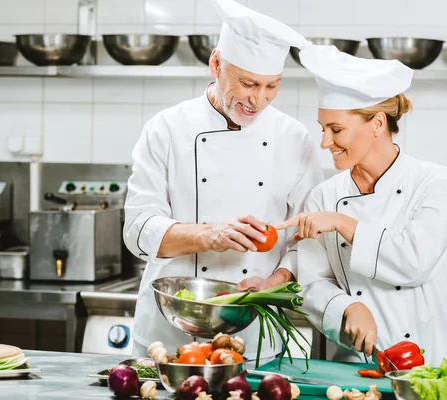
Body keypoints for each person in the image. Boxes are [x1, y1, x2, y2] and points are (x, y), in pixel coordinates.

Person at [123, 0, 323, 361]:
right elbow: (138, 230)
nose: (258, 100)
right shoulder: (166, 129)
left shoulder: (293, 138)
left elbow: (306, 239)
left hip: (252, 334)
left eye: (271, 86)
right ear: (216, 64)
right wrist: (209, 235)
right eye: (248, 83)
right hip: (169, 333)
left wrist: (274, 282)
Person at [276, 45, 447, 366]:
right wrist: (348, 307)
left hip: (432, 363)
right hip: (354, 364)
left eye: (336, 130)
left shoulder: (435, 183)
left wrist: (343, 223)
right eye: (323, 128)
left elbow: (414, 262)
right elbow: (312, 282)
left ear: (377, 123)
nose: (325, 142)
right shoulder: (324, 195)